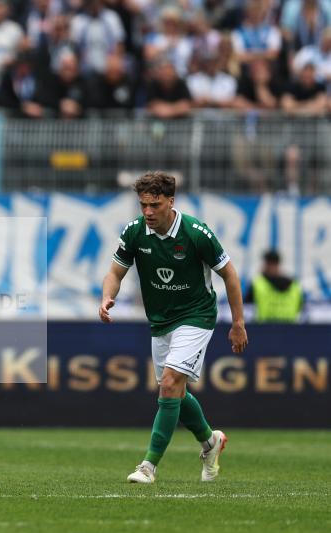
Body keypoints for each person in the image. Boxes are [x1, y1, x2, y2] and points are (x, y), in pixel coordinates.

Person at [99, 171, 248, 484]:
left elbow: (230, 275)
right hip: (161, 321)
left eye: (155, 205)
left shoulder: (196, 233)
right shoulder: (135, 231)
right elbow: (115, 272)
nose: (148, 212)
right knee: (174, 394)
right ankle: (211, 442)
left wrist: (237, 322)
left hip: (196, 316)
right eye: (143, 205)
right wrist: (107, 297)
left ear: (171, 201)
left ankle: (148, 466)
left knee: (169, 385)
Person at [245, 249, 303, 322]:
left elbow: (246, 309)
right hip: (290, 330)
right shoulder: (295, 285)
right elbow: (300, 309)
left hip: (264, 330)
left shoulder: (257, 284)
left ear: (266, 264)